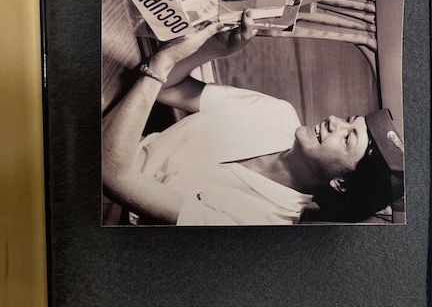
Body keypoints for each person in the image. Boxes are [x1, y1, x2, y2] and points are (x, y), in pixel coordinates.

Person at [102, 12, 403, 225]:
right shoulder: (276, 112)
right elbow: (167, 87)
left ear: (340, 183)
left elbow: (114, 178)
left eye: (347, 137)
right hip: (103, 132)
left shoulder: (263, 222)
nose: (335, 121)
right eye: (349, 119)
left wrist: (164, 60)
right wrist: (217, 48)